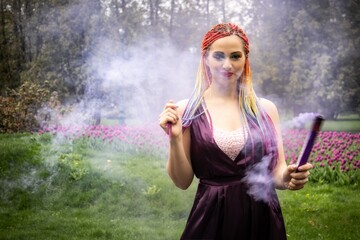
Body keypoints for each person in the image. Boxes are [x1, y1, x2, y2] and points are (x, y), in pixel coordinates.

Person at [159, 23, 313, 240]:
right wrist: (174, 139)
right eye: (219, 56)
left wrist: (287, 177)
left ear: (245, 59)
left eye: (235, 56)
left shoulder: (266, 110)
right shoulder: (187, 110)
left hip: (261, 217)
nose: (227, 65)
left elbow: (277, 171)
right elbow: (182, 181)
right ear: (205, 58)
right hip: (211, 217)